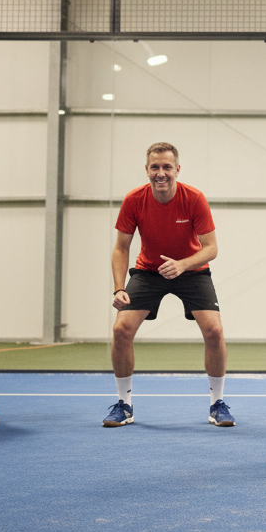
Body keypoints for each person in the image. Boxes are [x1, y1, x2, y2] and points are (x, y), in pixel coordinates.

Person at [105, 142, 233, 427]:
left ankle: (218, 404)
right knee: (121, 329)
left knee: (214, 330)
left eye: (166, 167)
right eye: (155, 167)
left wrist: (183, 264)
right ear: (147, 170)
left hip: (192, 270)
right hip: (149, 271)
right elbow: (120, 248)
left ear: (177, 169)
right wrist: (119, 288)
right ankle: (124, 404)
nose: (160, 173)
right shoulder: (134, 199)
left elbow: (211, 248)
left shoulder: (194, 198)